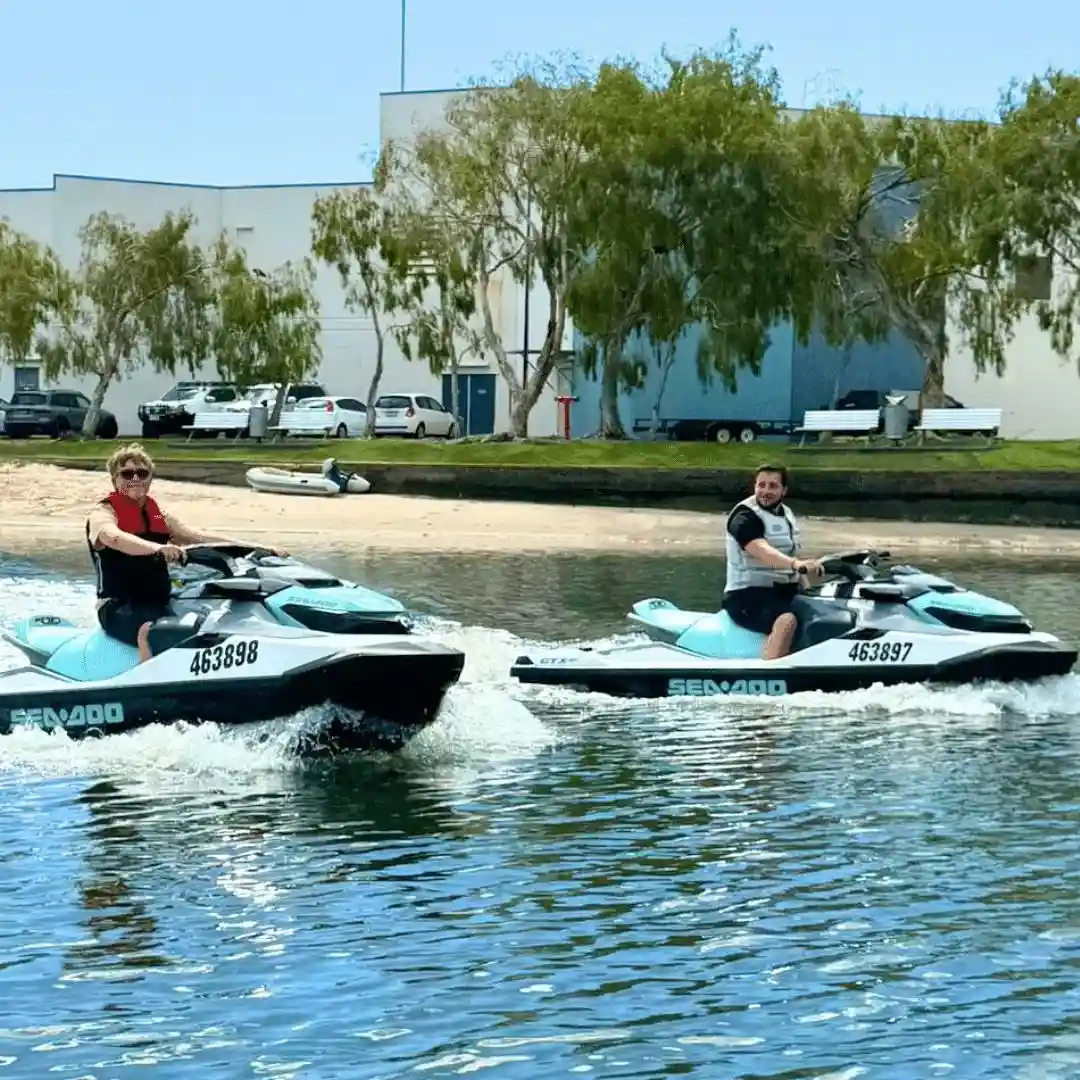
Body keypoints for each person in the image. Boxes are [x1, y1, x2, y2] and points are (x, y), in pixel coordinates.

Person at [86, 443, 288, 663]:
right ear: (114, 479)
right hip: (119, 606)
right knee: (153, 631)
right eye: (127, 473)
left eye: (141, 473)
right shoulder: (103, 513)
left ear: (150, 478)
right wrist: (157, 548)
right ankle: (148, 691)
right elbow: (114, 537)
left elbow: (200, 538)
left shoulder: (157, 516)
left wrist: (259, 547)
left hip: (159, 601)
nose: (135, 478)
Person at [723, 465, 826, 660]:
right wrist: (796, 564)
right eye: (761, 485)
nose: (766, 491)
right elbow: (761, 551)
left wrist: (805, 582)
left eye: (773, 486)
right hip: (746, 596)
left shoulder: (786, 514)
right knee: (786, 620)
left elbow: (790, 554)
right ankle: (768, 675)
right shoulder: (744, 517)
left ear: (783, 490)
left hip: (781, 593)